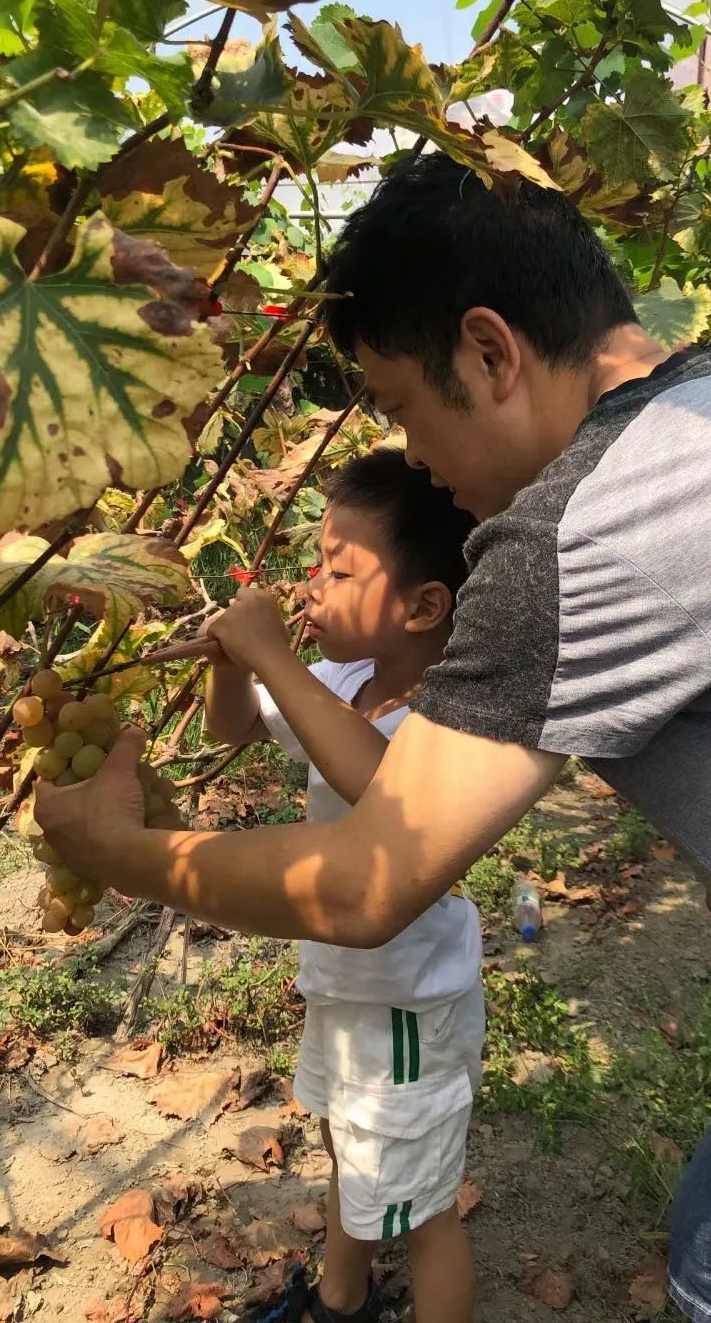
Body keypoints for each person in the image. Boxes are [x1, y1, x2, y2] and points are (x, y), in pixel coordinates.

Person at [38, 154, 711, 1322]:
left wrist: (118, 856)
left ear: (490, 352)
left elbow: (368, 885)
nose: (414, 460)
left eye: (402, 408)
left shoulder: (587, 528)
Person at [200, 448, 482, 1323]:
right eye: (313, 563)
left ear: (423, 605)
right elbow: (235, 726)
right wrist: (231, 659)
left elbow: (383, 790)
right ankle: (339, 1298)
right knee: (350, 1153)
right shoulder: (347, 682)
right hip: (346, 985)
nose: (312, 585)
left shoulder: (441, 719)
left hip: (405, 1004)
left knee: (425, 1212)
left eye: (339, 569)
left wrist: (272, 655)